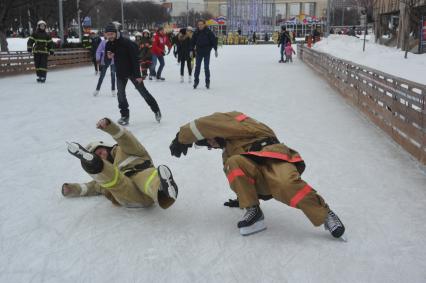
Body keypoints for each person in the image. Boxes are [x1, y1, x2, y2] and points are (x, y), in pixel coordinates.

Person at [169, 111, 345, 238]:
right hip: (258, 175)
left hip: (272, 156)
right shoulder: (228, 153)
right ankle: (253, 210)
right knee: (233, 163)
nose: (210, 144)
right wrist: (242, 197)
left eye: (209, 140)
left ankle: (325, 214)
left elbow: (206, 123)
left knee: (286, 184)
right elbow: (237, 176)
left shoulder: (236, 122)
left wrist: (182, 136)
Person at [63, 117, 178, 210]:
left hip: (144, 179)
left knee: (146, 176)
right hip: (128, 195)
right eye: (97, 156)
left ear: (106, 147)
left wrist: (110, 126)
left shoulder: (125, 150)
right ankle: (92, 165)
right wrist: (73, 189)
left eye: (100, 151)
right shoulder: (107, 171)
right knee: (111, 180)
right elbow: (90, 187)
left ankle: (163, 189)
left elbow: (126, 138)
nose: (101, 155)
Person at [104, 22, 161, 125]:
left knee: (143, 93)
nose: (110, 36)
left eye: (111, 34)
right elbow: (107, 61)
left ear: (116, 33)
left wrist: (138, 75)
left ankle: (156, 110)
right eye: (107, 34)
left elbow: (135, 59)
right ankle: (125, 116)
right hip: (120, 73)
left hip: (133, 73)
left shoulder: (127, 43)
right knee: (121, 95)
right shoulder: (108, 44)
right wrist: (108, 57)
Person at [191, 20, 218, 89]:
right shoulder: (196, 32)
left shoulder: (208, 32)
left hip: (206, 52)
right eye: (199, 24)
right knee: (197, 67)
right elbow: (192, 42)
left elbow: (213, 40)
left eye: (201, 24)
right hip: (199, 52)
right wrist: (191, 50)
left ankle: (207, 82)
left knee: (206, 67)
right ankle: (196, 81)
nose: (200, 26)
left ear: (204, 25)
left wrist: (215, 49)